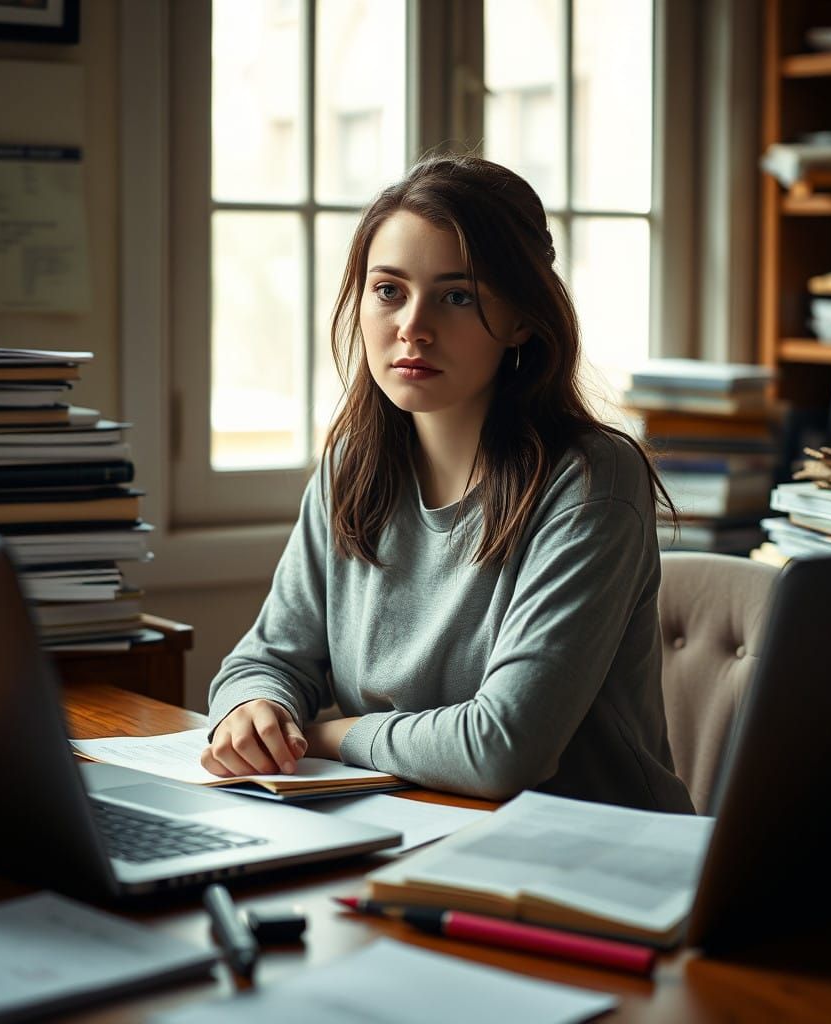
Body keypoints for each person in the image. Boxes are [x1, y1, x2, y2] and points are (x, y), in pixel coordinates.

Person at [203, 154, 694, 813]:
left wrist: (325, 735)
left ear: (521, 319)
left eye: (456, 296)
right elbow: (263, 660)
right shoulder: (351, 465)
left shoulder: (591, 479)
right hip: (408, 829)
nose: (413, 326)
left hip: (586, 864)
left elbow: (502, 748)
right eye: (389, 291)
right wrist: (253, 710)